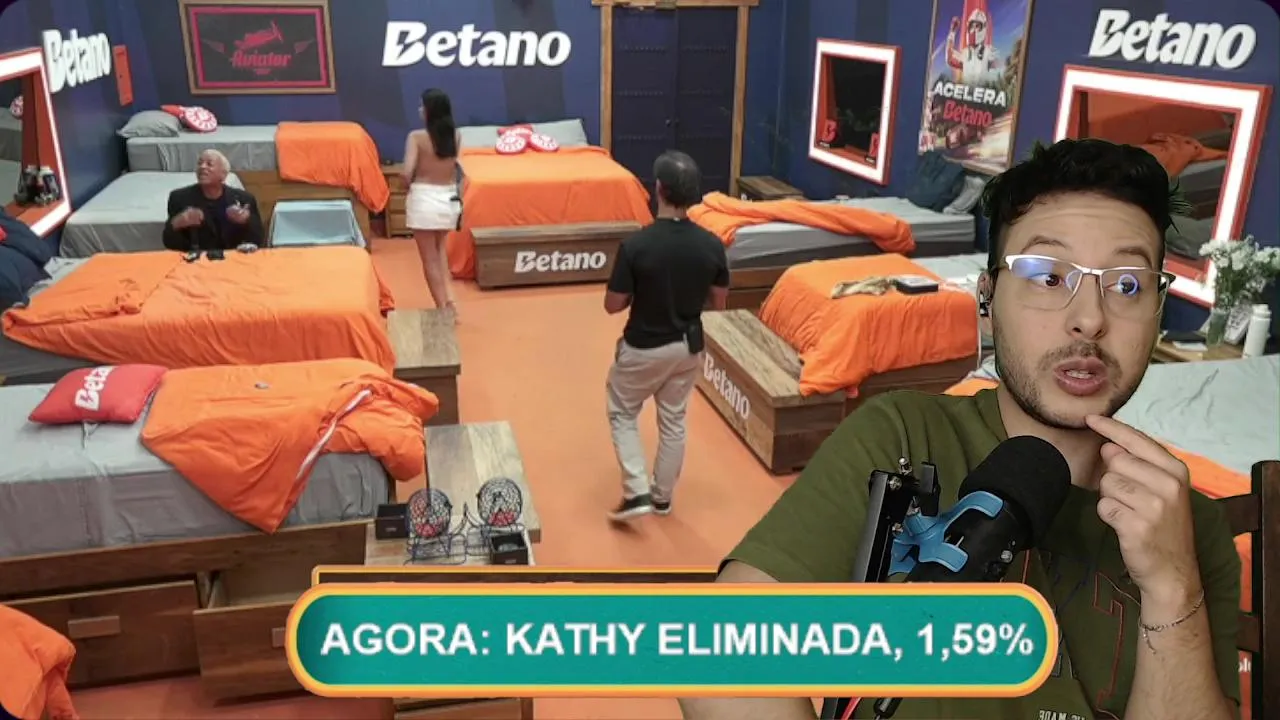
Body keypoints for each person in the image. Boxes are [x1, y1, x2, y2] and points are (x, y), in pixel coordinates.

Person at [680, 139, 1241, 719]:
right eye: (1048, 276)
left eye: (1127, 285)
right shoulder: (904, 440)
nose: (1090, 319)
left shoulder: (1190, 525)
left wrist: (1173, 586)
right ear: (987, 300)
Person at [603, 150, 729, 522]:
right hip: (688, 347)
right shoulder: (712, 245)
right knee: (673, 420)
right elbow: (719, 301)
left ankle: (636, 491)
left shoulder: (636, 246)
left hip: (643, 346)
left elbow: (613, 305)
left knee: (622, 411)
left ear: (658, 188)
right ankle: (662, 497)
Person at [403, 88, 461, 321]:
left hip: (424, 199)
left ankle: (443, 309)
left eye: (422, 106)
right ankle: (450, 301)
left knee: (429, 260)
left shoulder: (416, 137)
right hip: (448, 200)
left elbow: (407, 172)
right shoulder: (456, 136)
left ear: (429, 111)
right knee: (440, 255)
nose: (419, 110)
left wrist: (405, 184)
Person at [162, 149, 264, 256]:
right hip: (194, 261)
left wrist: (246, 220)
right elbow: (169, 243)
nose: (202, 167)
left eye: (209, 164)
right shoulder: (179, 198)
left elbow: (258, 240)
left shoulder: (244, 199)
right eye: (200, 163)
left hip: (233, 259)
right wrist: (177, 223)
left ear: (223, 174)